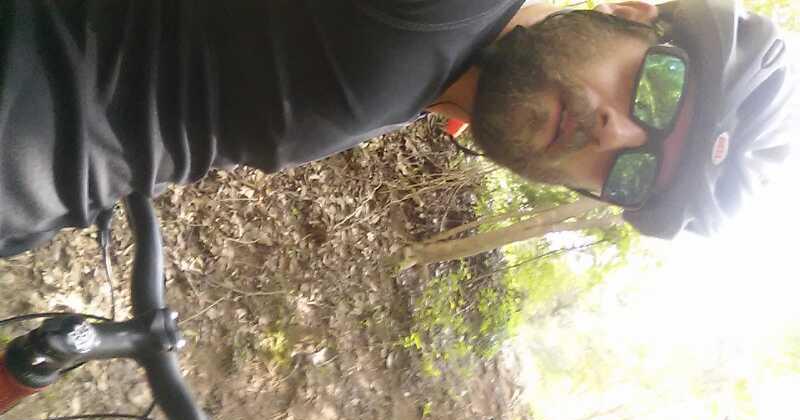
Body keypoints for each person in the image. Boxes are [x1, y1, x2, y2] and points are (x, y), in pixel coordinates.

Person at [0, 0, 792, 257]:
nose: (615, 133)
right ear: (636, 13)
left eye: (633, 173)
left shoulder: (447, 82)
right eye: (658, 92)